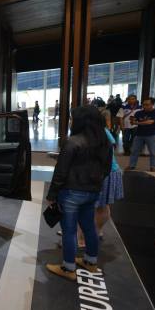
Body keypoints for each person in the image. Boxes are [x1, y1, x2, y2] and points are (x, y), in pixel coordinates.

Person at [45, 106, 111, 280]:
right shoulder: (104, 142)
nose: (71, 121)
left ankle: (68, 268)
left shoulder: (73, 142)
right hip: (93, 192)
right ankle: (91, 262)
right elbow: (106, 169)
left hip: (71, 193)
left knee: (69, 231)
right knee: (89, 227)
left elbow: (61, 171)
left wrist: (52, 195)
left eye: (72, 118)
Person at [128, 97, 155, 172]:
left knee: (153, 152)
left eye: (147, 104)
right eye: (143, 104)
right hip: (139, 134)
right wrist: (132, 120)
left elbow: (150, 122)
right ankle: (131, 165)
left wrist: (137, 123)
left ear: (152, 104)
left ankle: (153, 167)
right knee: (134, 151)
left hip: (152, 134)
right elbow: (133, 122)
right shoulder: (139, 113)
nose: (145, 106)